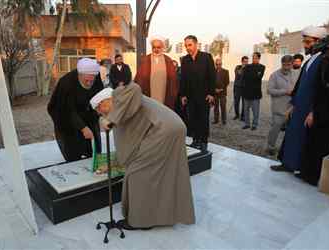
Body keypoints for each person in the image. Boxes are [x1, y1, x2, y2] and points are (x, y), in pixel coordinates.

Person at [90, 83, 195, 230]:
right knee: (162, 173)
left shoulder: (119, 96)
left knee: (137, 174)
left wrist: (110, 119)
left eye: (99, 110)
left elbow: (135, 88)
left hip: (163, 131)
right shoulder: (121, 108)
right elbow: (128, 140)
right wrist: (112, 162)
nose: (101, 114)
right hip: (171, 128)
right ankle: (158, 216)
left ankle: (140, 221)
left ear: (105, 101)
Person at [270, 26, 329, 175]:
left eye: (308, 42)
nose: (305, 45)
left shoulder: (324, 61)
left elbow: (323, 92)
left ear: (319, 42)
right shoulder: (309, 61)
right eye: (305, 41)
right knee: (292, 135)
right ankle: (288, 164)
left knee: (305, 140)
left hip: (309, 110)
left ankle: (302, 169)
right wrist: (293, 105)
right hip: (299, 108)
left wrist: (314, 112)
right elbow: (301, 86)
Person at [299, 37, 329, 185]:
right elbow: (318, 90)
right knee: (311, 142)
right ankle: (306, 173)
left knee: (322, 146)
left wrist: (315, 112)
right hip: (319, 110)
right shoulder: (323, 62)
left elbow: (328, 91)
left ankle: (315, 176)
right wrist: (312, 111)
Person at [47, 58, 103, 162]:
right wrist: (83, 128)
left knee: (93, 141)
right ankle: (74, 161)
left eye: (92, 80)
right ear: (79, 75)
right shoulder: (66, 83)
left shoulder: (96, 76)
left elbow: (99, 97)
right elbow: (68, 111)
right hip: (63, 113)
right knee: (72, 146)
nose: (89, 83)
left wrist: (102, 113)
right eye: (86, 80)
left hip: (85, 110)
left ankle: (91, 159)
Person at [180, 35, 216, 150]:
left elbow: (212, 76)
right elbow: (183, 78)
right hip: (190, 97)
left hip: (204, 96)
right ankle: (195, 140)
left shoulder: (206, 57)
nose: (187, 48)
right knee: (192, 119)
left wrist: (211, 93)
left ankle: (204, 142)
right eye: (186, 46)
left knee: (203, 119)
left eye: (189, 45)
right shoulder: (185, 60)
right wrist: (183, 95)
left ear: (196, 44)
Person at [134, 35, 178, 109]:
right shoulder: (145, 60)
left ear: (162, 48)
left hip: (164, 94)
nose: (156, 49)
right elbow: (139, 78)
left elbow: (173, 79)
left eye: (158, 47)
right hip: (149, 94)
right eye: (154, 47)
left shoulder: (168, 60)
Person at [266, 55, 296, 156]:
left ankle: (287, 149)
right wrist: (285, 91)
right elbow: (269, 90)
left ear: (292, 64)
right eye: (284, 65)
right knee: (275, 128)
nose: (286, 67)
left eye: (288, 65)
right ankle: (270, 146)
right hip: (278, 108)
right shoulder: (274, 75)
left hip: (292, 108)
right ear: (281, 64)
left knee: (291, 131)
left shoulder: (296, 74)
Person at [242, 52, 265, 130]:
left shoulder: (262, 67)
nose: (254, 59)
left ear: (259, 58)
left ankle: (254, 125)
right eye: (253, 57)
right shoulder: (247, 66)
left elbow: (258, 78)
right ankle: (247, 124)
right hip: (246, 92)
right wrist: (254, 75)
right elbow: (244, 77)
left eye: (255, 57)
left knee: (255, 111)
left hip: (256, 93)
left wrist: (251, 75)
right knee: (246, 110)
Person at [212, 58, 230, 125]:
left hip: (222, 92)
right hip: (215, 93)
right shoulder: (213, 71)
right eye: (217, 64)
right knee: (216, 107)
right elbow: (211, 82)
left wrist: (221, 89)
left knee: (223, 107)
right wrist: (214, 89)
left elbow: (227, 82)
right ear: (215, 64)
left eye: (219, 64)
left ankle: (224, 120)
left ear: (221, 64)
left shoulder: (226, 71)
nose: (218, 65)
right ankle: (216, 120)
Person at [233, 56, 248, 121]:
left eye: (247, 62)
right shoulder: (238, 67)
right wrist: (243, 68)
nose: (246, 63)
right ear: (242, 61)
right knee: (236, 102)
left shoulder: (248, 68)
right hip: (237, 87)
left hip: (244, 88)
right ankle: (237, 115)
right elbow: (238, 73)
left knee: (244, 103)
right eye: (245, 61)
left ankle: (243, 116)